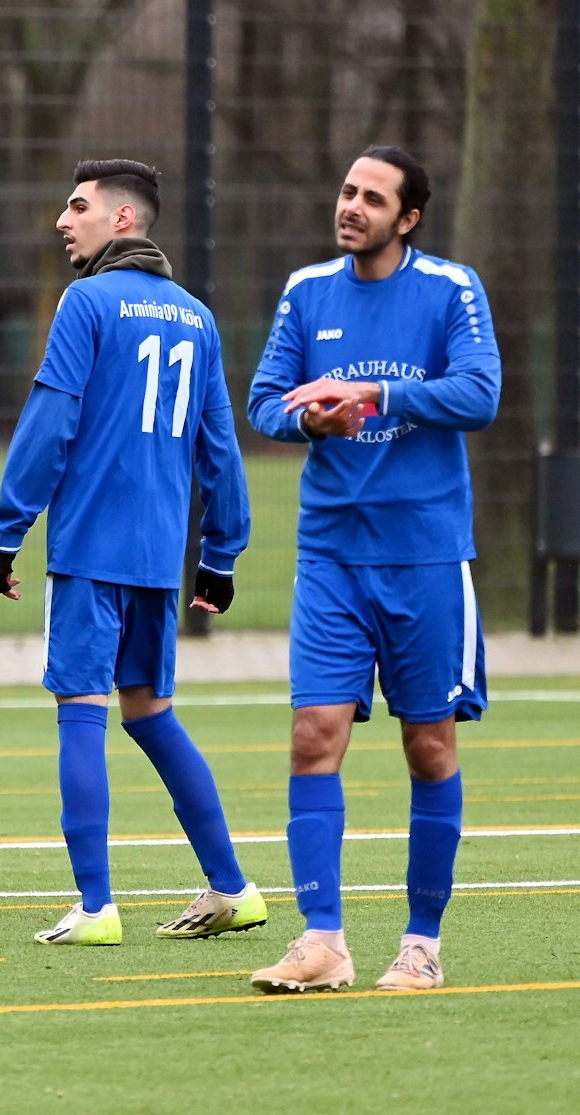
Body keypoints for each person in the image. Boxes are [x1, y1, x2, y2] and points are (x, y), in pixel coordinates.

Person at [0, 159, 264, 946]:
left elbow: (51, 418)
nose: (62, 220)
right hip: (157, 559)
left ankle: (96, 905)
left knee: (82, 713)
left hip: (88, 552)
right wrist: (221, 553)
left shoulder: (86, 301)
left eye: (77, 207)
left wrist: (8, 529)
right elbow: (220, 445)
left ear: (123, 219)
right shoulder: (197, 317)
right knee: (150, 713)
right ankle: (233, 887)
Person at [245, 146, 499, 993]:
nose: (351, 206)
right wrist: (312, 423)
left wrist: (375, 394)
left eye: (373, 198)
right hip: (330, 554)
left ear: (409, 217)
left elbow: (479, 394)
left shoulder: (451, 289)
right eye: (348, 191)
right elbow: (264, 401)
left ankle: (422, 944)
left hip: (426, 554)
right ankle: (322, 940)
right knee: (314, 734)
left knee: (428, 744)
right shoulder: (305, 290)